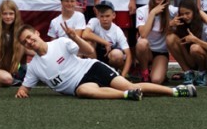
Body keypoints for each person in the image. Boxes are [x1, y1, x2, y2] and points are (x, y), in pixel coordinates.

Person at [15, 24, 197, 100]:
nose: (29, 42)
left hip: (92, 68)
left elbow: (89, 52)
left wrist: (75, 37)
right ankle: (127, 95)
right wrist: (22, 92)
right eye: (25, 42)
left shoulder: (60, 42)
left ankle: (176, 91)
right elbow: (25, 88)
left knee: (128, 84)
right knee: (83, 91)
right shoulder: (34, 67)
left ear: (37, 33)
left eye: (30, 37)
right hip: (80, 85)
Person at [166, 0, 207, 87]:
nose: (185, 16)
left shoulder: (204, 26)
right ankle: (188, 72)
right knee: (169, 39)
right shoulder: (180, 22)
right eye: (182, 14)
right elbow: (165, 35)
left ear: (194, 12)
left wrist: (195, 40)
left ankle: (202, 73)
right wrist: (170, 25)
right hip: (192, 58)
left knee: (194, 48)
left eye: (187, 13)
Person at [136, 0, 178, 84]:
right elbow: (143, 34)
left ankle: (158, 70)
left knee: (156, 80)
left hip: (161, 52)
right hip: (147, 51)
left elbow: (192, 10)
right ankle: (144, 73)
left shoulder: (170, 10)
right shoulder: (142, 10)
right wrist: (153, 13)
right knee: (142, 43)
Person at [81, 0, 131, 77]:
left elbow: (128, 55)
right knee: (88, 43)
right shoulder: (94, 21)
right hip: (96, 54)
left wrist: (123, 76)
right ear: (98, 16)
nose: (104, 19)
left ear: (113, 15)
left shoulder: (117, 31)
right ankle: (94, 71)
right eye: (102, 16)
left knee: (117, 55)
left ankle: (115, 73)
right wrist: (105, 42)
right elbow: (85, 34)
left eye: (107, 16)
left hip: (110, 57)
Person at [0, 0, 27, 86]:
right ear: (0, 14)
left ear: (15, 15)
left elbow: (28, 49)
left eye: (11, 14)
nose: (8, 17)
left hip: (7, 66)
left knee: (24, 44)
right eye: (5, 14)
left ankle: (22, 70)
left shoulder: (18, 28)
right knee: (7, 79)